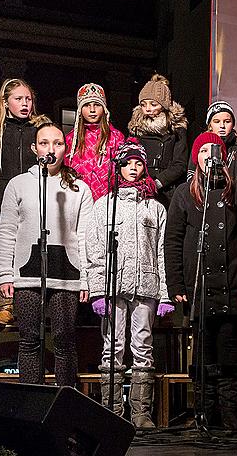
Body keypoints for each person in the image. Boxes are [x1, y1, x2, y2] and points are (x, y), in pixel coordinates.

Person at [164, 132, 237, 430]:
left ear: (223, 156)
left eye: (214, 149)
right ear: (197, 158)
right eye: (203, 150)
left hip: (231, 283)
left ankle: (229, 412)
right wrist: (177, 285)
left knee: (229, 350)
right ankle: (204, 412)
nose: (209, 155)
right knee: (203, 351)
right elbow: (174, 241)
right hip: (199, 285)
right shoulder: (184, 193)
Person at [0, 123, 94, 387]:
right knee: (29, 340)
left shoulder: (79, 189)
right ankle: (31, 401)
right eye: (44, 143)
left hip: (66, 275)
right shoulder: (19, 184)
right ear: (34, 148)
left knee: (64, 340)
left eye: (58, 143)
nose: (51, 149)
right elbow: (7, 231)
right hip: (27, 275)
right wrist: (4, 273)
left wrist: (85, 278)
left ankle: (64, 403)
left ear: (65, 148)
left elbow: (84, 235)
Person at [85, 140, 172, 428]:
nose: (133, 169)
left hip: (145, 286)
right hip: (113, 287)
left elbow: (161, 252)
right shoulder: (103, 206)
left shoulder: (155, 209)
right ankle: (112, 411)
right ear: (118, 167)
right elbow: (95, 250)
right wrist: (98, 291)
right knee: (113, 345)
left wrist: (165, 295)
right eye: (128, 163)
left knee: (143, 345)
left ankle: (141, 413)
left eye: (138, 164)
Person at [0, 78, 49, 330]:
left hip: (34, 199)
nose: (25, 103)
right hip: (2, 200)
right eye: (19, 99)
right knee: (6, 254)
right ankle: (6, 306)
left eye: (28, 99)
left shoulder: (40, 127)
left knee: (34, 251)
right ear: (6, 102)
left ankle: (37, 306)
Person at [127, 74, 189, 205]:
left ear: (164, 104)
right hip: (139, 187)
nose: (148, 108)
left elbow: (180, 164)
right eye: (143, 105)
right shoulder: (136, 128)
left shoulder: (176, 128)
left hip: (167, 191)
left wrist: (157, 182)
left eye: (153, 104)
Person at [65, 83, 125, 202]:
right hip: (77, 199)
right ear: (80, 110)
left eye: (97, 105)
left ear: (104, 108)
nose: (92, 110)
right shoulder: (71, 139)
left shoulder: (116, 137)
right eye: (87, 105)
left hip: (108, 201)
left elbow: (123, 173)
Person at [186, 100, 237, 198]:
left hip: (232, 202)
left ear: (233, 124)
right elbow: (191, 178)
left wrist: (231, 195)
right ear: (209, 125)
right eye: (216, 121)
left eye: (227, 121)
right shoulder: (201, 147)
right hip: (205, 201)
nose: (222, 126)